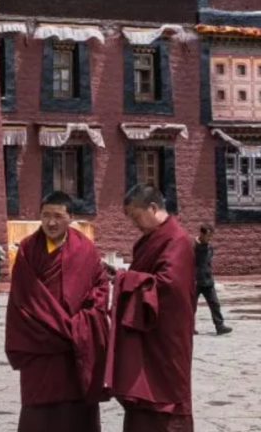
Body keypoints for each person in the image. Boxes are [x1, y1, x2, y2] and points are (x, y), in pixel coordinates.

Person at [5, 191, 109, 432]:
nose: (51, 222)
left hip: (75, 350)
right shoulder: (28, 249)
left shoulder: (86, 250)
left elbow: (100, 290)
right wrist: (64, 329)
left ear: (71, 217)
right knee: (40, 415)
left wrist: (81, 326)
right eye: (45, 216)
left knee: (76, 413)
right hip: (41, 347)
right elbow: (24, 300)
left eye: (58, 216)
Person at [105, 184, 195, 432]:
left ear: (153, 208)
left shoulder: (176, 240)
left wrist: (126, 279)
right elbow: (147, 278)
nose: (134, 224)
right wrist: (122, 276)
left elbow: (170, 287)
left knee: (166, 400)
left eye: (135, 216)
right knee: (141, 400)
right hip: (147, 336)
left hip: (166, 338)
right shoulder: (151, 240)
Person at [194, 224, 232, 336]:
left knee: (215, 304)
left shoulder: (210, 247)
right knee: (191, 307)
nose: (209, 239)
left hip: (208, 281)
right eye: (207, 236)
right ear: (201, 234)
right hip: (195, 282)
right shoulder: (192, 246)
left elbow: (208, 263)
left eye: (211, 236)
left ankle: (220, 326)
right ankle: (190, 328)